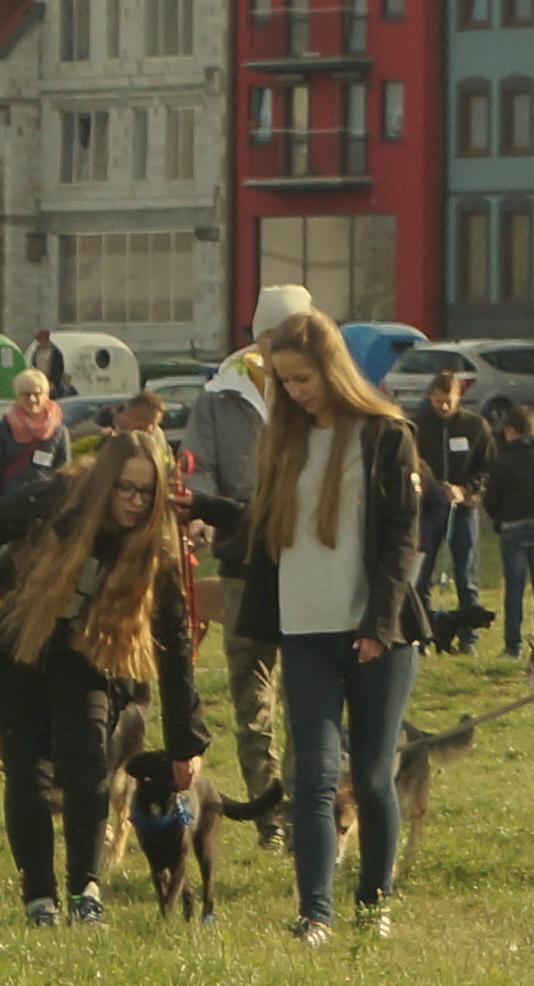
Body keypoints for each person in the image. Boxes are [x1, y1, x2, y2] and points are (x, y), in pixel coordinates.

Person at [197, 310, 431, 946]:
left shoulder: (385, 435)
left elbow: (402, 539)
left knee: (374, 779)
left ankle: (373, 907)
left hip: (378, 634)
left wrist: (378, 625)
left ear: (333, 370)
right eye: (284, 381)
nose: (294, 392)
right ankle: (316, 915)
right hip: (304, 634)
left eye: (303, 378)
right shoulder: (284, 443)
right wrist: (200, 508)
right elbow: (260, 525)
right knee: (313, 779)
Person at [0, 435, 208, 927]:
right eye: (125, 488)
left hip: (86, 648)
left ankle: (86, 892)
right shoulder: (57, 499)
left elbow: (173, 646)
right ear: (104, 483)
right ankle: (39, 900)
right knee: (28, 769)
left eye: (146, 493)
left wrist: (184, 746)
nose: (135, 501)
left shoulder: (157, 544)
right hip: (12, 638)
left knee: (88, 758)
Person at [186, 282, 313, 853]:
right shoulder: (221, 393)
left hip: (309, 563)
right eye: (271, 337)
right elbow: (198, 465)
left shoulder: (322, 394)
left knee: (307, 694)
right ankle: (270, 814)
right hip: (243, 560)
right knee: (251, 696)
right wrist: (203, 513)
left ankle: (307, 804)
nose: (279, 348)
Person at [411, 372, 495, 643]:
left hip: (463, 508)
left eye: (448, 401)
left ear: (459, 397)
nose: (444, 407)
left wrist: (466, 489)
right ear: (430, 397)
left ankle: (468, 636)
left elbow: (487, 467)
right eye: (438, 401)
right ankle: (421, 635)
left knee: (465, 575)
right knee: (421, 573)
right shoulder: (418, 426)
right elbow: (409, 464)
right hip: (428, 508)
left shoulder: (475, 426)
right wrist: (428, 487)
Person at [483, 404, 534, 660]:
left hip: (513, 526)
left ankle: (512, 646)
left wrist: (499, 519)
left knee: (514, 587)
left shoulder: (503, 460)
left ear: (511, 431)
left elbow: (491, 499)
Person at [0, 369, 67, 508]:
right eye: (26, 394)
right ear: (18, 396)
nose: (32, 399)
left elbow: (64, 473)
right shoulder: (4, 428)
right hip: (11, 504)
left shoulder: (59, 431)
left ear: (46, 395)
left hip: (44, 505)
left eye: (37, 394)